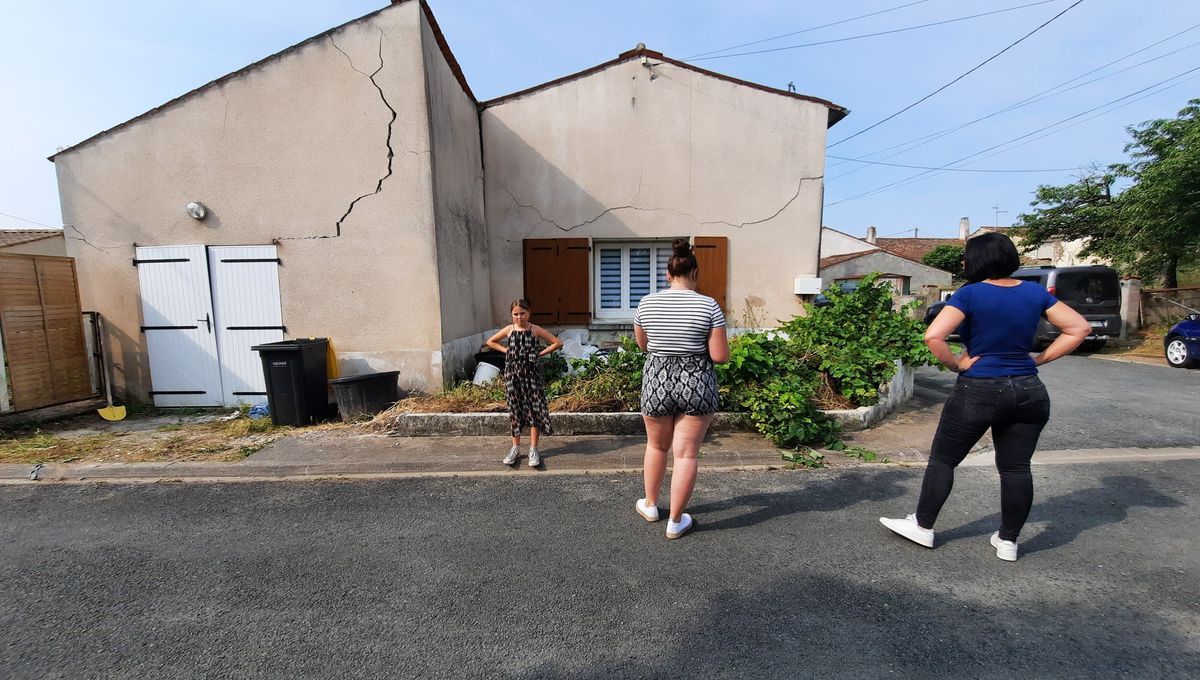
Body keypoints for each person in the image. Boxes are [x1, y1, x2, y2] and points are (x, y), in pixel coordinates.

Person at [880, 232, 1091, 561]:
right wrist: (1038, 360)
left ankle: (922, 527)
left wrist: (956, 364)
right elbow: (1079, 328)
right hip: (1029, 389)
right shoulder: (1035, 293)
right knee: (1016, 469)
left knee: (944, 460)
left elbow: (934, 335)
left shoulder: (970, 295)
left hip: (980, 387)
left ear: (977, 261)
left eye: (966, 256)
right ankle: (1008, 541)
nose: (963, 261)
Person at [633, 238, 730, 539]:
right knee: (686, 455)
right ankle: (675, 521)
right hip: (696, 380)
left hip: (656, 380)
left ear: (668, 274)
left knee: (656, 446)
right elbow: (719, 357)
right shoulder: (709, 305)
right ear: (695, 273)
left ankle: (650, 505)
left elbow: (643, 345)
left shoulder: (647, 303)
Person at [486, 299, 563, 467]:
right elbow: (490, 342)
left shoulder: (535, 329)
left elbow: (557, 343)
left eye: (522, 313)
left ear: (529, 313)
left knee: (534, 409)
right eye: (515, 314)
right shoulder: (508, 330)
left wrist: (540, 354)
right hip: (512, 376)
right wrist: (506, 350)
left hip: (531, 375)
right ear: (511, 315)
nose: (519, 317)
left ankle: (533, 449)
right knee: (515, 410)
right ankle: (515, 448)